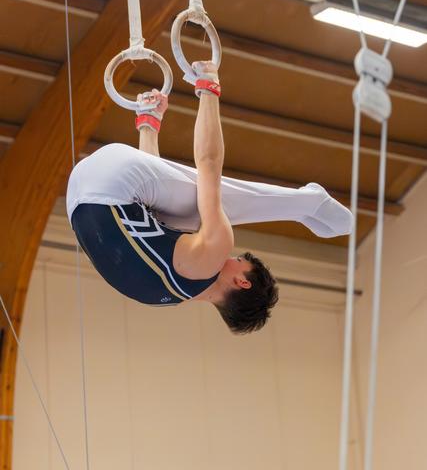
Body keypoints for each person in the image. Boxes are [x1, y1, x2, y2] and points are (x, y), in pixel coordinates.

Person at [67, 61, 352, 334]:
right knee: (186, 217)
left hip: (112, 183)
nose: (231, 254)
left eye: (240, 259)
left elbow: (209, 162)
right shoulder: (164, 296)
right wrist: (148, 124)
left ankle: (307, 202)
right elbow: (148, 213)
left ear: (242, 282)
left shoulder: (209, 258)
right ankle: (148, 118)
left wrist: (208, 88)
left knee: (212, 194)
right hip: (80, 196)